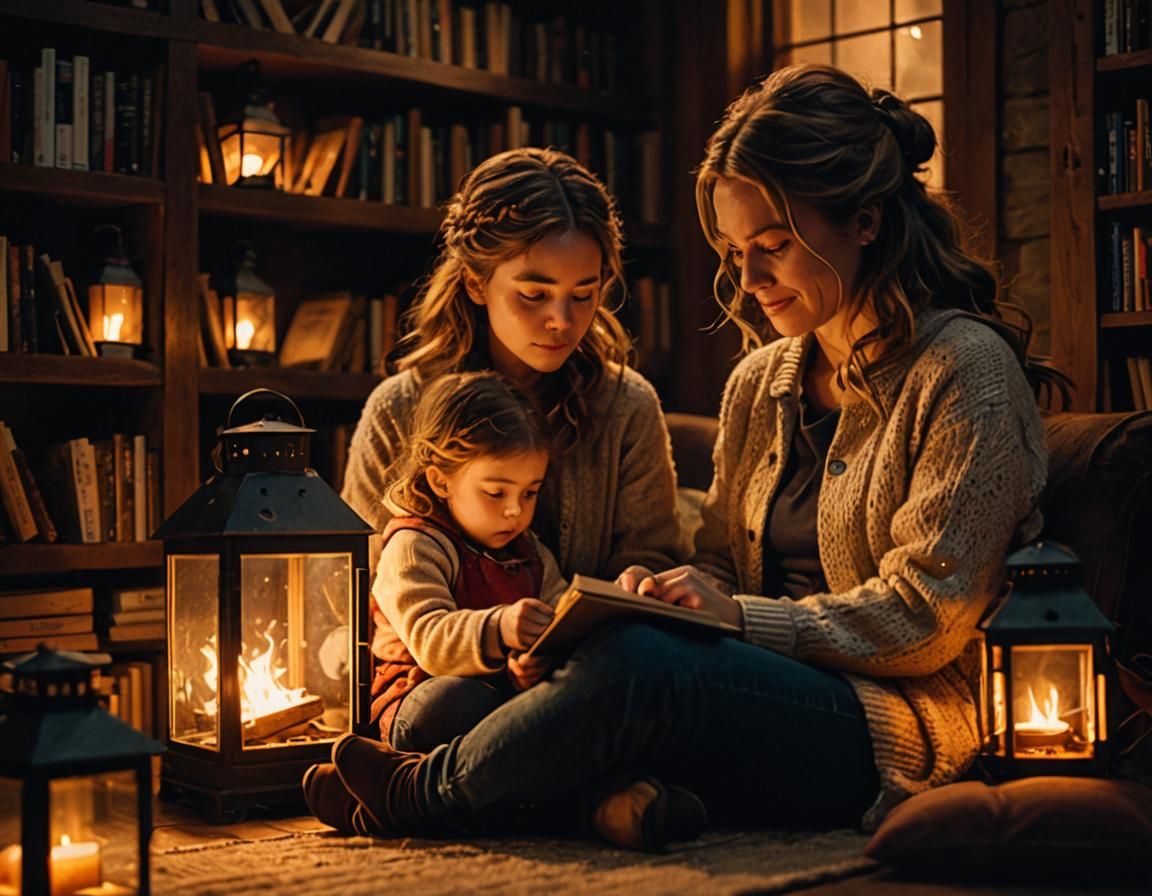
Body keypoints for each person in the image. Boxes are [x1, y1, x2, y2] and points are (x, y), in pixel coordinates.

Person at [308, 64, 1049, 848]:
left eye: (773, 245)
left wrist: (729, 616)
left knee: (642, 665)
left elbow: (929, 619)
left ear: (864, 220)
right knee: (568, 672)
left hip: (887, 722)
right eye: (734, 251)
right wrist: (661, 592)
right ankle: (590, 804)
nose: (749, 278)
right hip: (741, 691)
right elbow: (723, 566)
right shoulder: (761, 383)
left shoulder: (964, 370)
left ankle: (423, 795)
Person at [340, 146, 686, 588]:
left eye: (583, 295)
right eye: (534, 294)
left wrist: (643, 582)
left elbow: (651, 558)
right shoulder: (398, 409)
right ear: (475, 282)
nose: (562, 320)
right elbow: (354, 580)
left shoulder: (627, 406)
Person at [366, 370, 568, 754]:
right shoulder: (414, 545)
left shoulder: (531, 553)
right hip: (418, 695)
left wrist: (538, 658)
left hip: (505, 699)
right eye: (496, 493)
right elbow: (430, 640)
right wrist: (501, 627)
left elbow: (560, 618)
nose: (515, 511)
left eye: (530, 493)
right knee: (455, 704)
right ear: (441, 482)